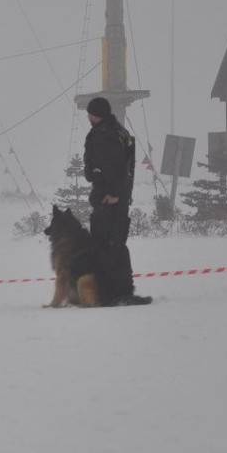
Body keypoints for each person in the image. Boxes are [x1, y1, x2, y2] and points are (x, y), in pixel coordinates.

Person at [83, 97, 151, 306]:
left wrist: (112, 193)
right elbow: (125, 168)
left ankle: (109, 293)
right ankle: (122, 290)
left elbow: (114, 168)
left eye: (90, 114)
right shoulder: (121, 132)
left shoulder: (103, 135)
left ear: (97, 115)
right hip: (120, 200)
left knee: (105, 248)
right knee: (118, 246)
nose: (89, 117)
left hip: (108, 200)